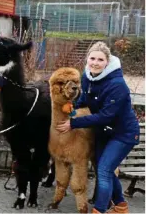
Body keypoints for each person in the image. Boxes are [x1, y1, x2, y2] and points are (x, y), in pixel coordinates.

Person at [57, 42, 140, 214]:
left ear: (107, 62)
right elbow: (84, 101)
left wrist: (73, 123)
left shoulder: (117, 85)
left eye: (100, 59)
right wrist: (72, 111)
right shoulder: (87, 77)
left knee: (104, 170)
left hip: (123, 134)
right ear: (87, 58)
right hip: (104, 131)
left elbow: (105, 116)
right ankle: (121, 207)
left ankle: (99, 210)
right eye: (92, 58)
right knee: (105, 169)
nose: (95, 62)